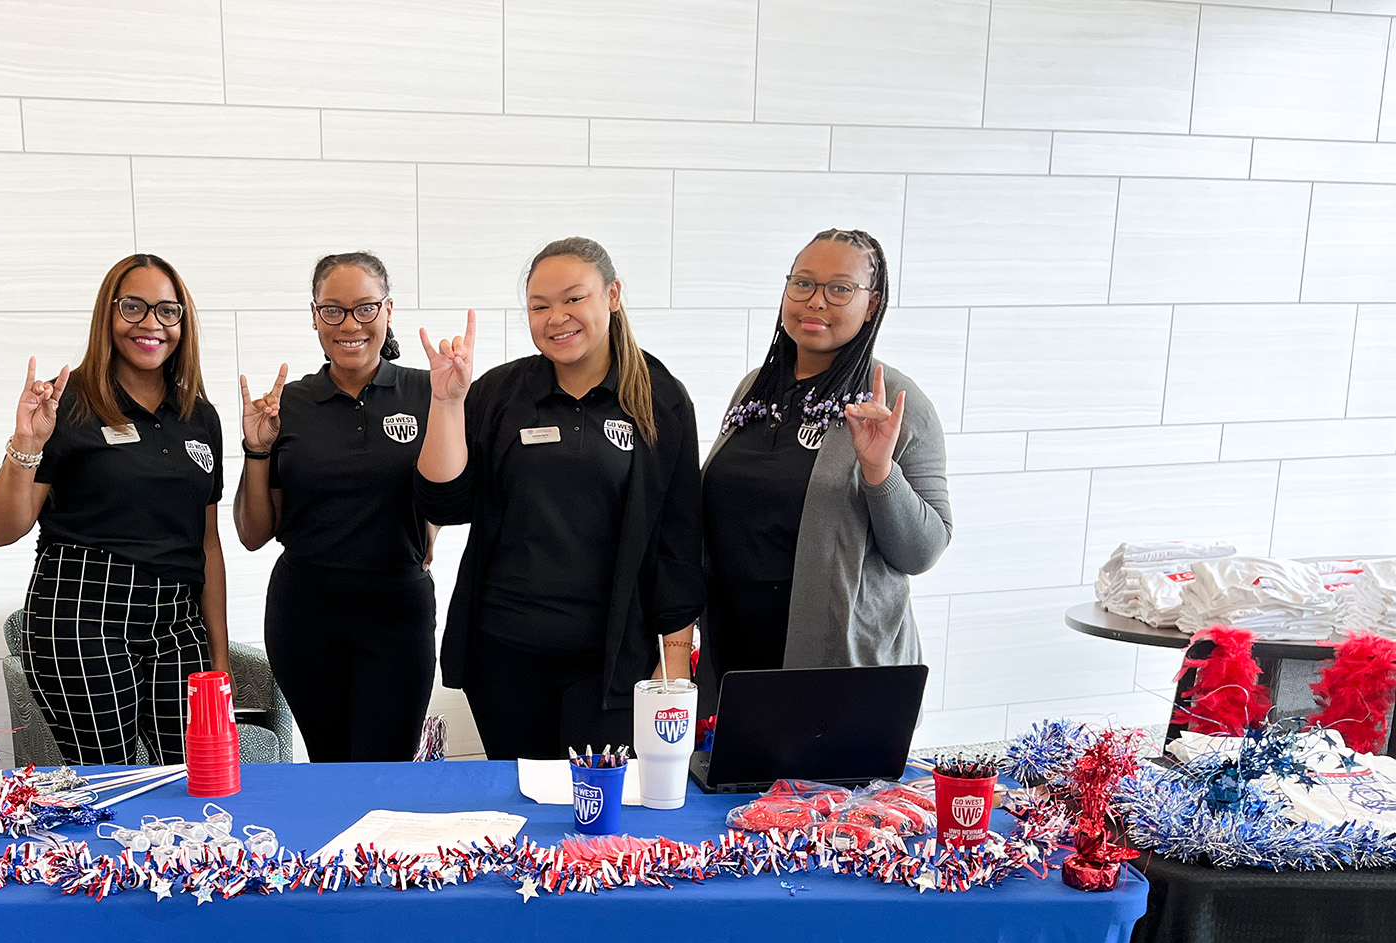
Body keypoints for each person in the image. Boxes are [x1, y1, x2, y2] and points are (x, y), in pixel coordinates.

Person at [414, 235, 702, 760]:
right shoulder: (501, 393)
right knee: (521, 813)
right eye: (539, 305)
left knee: (599, 818)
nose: (557, 317)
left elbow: (679, 542)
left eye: (574, 298)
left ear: (612, 296)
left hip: (612, 662)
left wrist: (675, 663)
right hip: (504, 655)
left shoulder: (660, 398)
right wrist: (448, 403)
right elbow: (445, 504)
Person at [0, 253, 230, 766]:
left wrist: (220, 660)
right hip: (81, 609)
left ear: (183, 323)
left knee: (196, 770)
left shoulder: (199, 416)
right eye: (133, 307)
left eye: (167, 311)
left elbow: (207, 542)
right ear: (107, 314)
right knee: (111, 779)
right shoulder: (67, 400)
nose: (150, 324)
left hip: (177, 615)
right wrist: (25, 440)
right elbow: (3, 528)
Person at [698, 228, 949, 676]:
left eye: (840, 289)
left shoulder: (894, 401)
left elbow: (921, 553)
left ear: (871, 304)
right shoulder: (754, 388)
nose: (815, 301)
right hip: (738, 654)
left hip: (840, 666)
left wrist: (878, 470)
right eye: (803, 283)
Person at [234, 252, 436, 761]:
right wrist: (257, 447)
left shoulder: (429, 391)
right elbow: (254, 533)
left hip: (398, 609)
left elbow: (449, 488)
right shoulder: (290, 403)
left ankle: (379, 847)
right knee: (329, 764)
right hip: (306, 611)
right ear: (315, 314)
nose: (350, 325)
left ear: (388, 311)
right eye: (333, 310)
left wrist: (425, 535)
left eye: (365, 308)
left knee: (385, 767)